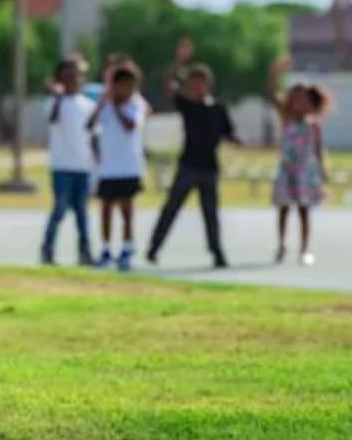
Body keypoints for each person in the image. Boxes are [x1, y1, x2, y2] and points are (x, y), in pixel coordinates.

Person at [147, 37, 242, 269]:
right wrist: (179, 62)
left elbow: (228, 133)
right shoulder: (187, 105)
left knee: (210, 213)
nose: (198, 87)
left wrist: (236, 141)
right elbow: (167, 83)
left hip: (209, 167)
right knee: (172, 207)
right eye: (194, 82)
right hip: (188, 165)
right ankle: (154, 247)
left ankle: (216, 251)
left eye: (201, 82)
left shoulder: (217, 109)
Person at [267, 57, 331, 266]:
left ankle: (304, 249)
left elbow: (318, 149)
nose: (299, 102)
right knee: (284, 209)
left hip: (305, 172)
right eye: (295, 98)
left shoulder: (313, 124)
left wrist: (323, 169)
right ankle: (281, 245)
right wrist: (276, 73)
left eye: (303, 98)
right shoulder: (286, 119)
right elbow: (272, 93)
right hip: (287, 170)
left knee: (304, 210)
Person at [87, 63, 146, 271]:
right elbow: (89, 125)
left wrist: (117, 106)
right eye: (120, 85)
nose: (124, 90)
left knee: (127, 211)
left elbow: (130, 126)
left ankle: (127, 248)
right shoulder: (106, 106)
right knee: (106, 210)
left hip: (129, 167)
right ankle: (105, 248)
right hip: (108, 167)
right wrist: (102, 104)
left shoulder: (136, 104)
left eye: (129, 86)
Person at [40, 54, 95, 266]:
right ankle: (47, 250)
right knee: (59, 210)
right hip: (62, 167)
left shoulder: (87, 104)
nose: (74, 77)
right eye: (69, 72)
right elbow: (52, 119)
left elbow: (93, 136)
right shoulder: (54, 102)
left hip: (82, 167)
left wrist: (96, 164)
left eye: (77, 73)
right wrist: (58, 96)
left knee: (82, 214)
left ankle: (85, 252)